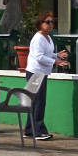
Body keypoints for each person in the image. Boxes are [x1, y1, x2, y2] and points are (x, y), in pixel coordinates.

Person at [25, 11, 61, 141]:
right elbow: (39, 57)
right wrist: (55, 61)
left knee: (35, 101)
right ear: (40, 24)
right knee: (39, 101)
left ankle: (29, 130)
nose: (50, 25)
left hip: (42, 72)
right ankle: (39, 131)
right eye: (47, 22)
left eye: (52, 22)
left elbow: (47, 53)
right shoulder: (38, 38)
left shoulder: (48, 37)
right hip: (36, 73)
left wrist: (57, 56)